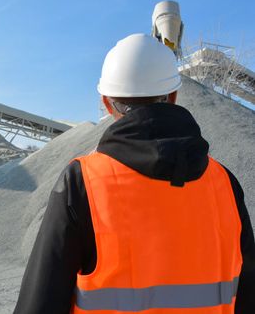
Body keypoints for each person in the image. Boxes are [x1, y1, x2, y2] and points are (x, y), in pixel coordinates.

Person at [14, 33, 255, 313]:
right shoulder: (224, 183)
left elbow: (41, 301)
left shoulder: (83, 182)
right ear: (174, 96)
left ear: (106, 103)